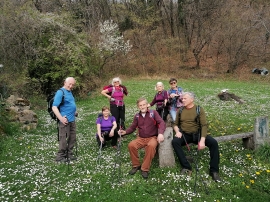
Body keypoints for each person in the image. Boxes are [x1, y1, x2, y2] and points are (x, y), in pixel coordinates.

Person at [171, 92, 221, 182]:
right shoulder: (181, 110)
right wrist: (177, 131)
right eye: (182, 98)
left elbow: (204, 125)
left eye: (185, 98)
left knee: (213, 143)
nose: (183, 100)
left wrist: (202, 140)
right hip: (185, 134)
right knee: (175, 142)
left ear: (192, 99)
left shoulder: (199, 109)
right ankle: (186, 167)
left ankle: (214, 171)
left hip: (198, 134)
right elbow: (175, 124)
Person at [119, 97, 166, 179]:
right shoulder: (137, 116)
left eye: (144, 104)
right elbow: (133, 127)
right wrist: (125, 132)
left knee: (151, 146)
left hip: (153, 137)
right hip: (141, 138)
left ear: (147, 105)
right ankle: (136, 165)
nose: (142, 106)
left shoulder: (153, 113)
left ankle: (145, 168)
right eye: (140, 105)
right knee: (131, 145)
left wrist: (161, 133)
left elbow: (161, 122)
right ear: (138, 107)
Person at [52, 77, 78, 163]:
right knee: (63, 139)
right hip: (65, 121)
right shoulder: (60, 92)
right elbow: (54, 107)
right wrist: (61, 118)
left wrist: (75, 111)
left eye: (72, 85)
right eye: (69, 84)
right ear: (64, 83)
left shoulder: (70, 92)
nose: (71, 86)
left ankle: (69, 154)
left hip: (72, 119)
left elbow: (69, 104)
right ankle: (60, 156)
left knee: (72, 138)